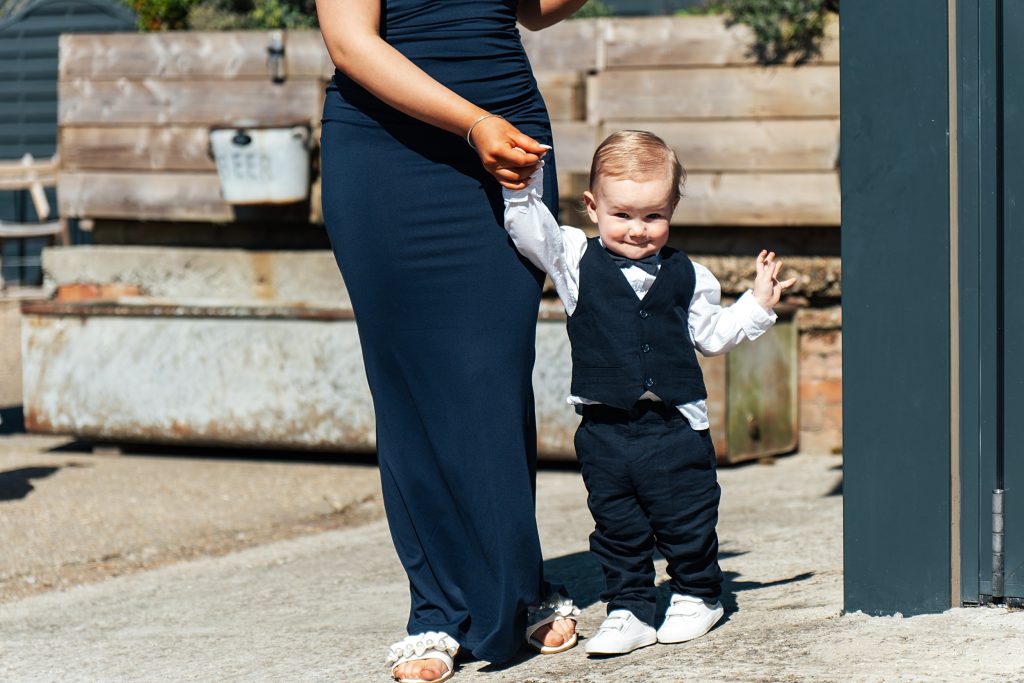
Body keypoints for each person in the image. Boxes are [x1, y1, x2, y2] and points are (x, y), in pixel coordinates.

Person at [315, 1, 590, 681]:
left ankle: (517, 581)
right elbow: (351, 42)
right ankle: (434, 608)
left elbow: (533, 8)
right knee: (407, 384)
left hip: (504, 138)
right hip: (389, 150)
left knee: (493, 371)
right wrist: (470, 123)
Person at [502, 130, 796, 655]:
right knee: (617, 526)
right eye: (623, 215)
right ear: (593, 207)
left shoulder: (692, 276)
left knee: (687, 519)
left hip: (675, 426)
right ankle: (630, 606)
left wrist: (757, 303)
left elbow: (711, 337)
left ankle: (699, 593)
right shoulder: (572, 259)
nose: (637, 231)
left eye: (653, 217)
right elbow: (530, 230)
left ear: (672, 209)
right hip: (604, 429)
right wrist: (524, 184)